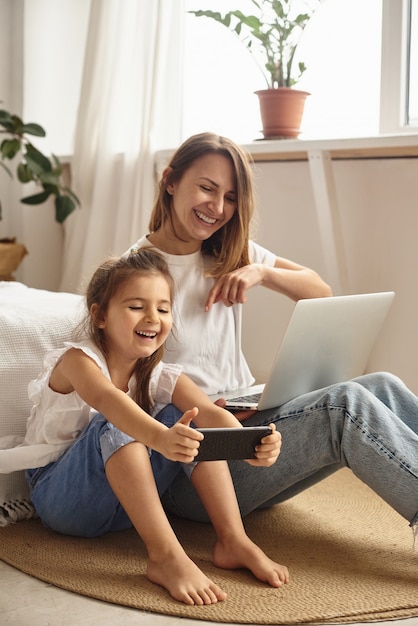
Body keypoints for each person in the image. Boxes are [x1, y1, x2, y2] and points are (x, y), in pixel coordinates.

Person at [127, 131, 418, 540]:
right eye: (207, 188)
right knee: (344, 405)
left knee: (382, 386)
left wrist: (262, 272)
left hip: (246, 433)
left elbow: (320, 290)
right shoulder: (135, 273)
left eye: (230, 197)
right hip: (191, 467)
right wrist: (215, 414)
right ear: (170, 181)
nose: (218, 207)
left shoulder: (227, 250)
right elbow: (127, 387)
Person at [0, 248, 289, 606]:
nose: (153, 317)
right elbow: (108, 401)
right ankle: (166, 557)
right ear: (100, 315)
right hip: (63, 502)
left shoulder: (160, 374)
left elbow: (215, 419)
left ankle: (233, 539)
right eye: (136, 306)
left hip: (123, 507)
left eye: (163, 309)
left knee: (188, 416)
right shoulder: (77, 361)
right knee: (119, 420)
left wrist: (251, 446)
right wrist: (161, 439)